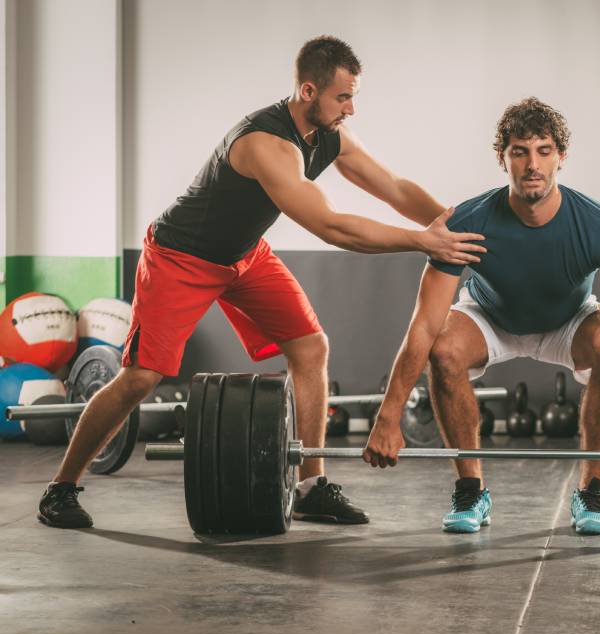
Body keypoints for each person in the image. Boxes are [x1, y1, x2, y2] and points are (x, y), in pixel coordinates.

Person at [37, 36, 486, 529]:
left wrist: (460, 228)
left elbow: (395, 189)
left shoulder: (329, 134)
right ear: (308, 90)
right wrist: (425, 243)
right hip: (180, 257)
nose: (351, 108)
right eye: (342, 97)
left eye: (353, 96)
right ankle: (62, 488)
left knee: (311, 348)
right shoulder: (264, 144)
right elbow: (332, 227)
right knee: (142, 377)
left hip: (244, 257)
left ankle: (312, 485)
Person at [363, 97, 600, 535]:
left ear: (561, 157)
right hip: (489, 315)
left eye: (544, 151)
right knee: (444, 348)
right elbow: (425, 326)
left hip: (567, 318)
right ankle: (471, 490)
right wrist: (389, 418)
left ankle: (592, 491)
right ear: (502, 158)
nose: (532, 164)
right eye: (520, 151)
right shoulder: (467, 221)